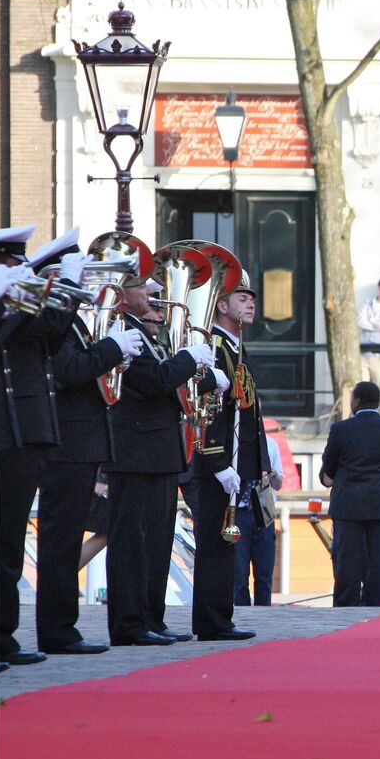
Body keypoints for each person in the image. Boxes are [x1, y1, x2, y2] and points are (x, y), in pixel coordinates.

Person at [38, 232, 147, 656]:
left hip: (82, 444)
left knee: (64, 542)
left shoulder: (72, 321)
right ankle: (57, 630)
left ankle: (62, 628)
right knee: (60, 541)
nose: (88, 282)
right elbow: (69, 373)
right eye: (77, 275)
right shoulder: (59, 324)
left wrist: (112, 352)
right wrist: (110, 349)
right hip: (67, 444)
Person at [105, 270, 219, 646]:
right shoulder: (123, 331)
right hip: (136, 454)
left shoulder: (149, 334)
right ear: (123, 297)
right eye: (144, 289)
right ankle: (129, 623)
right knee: (132, 545)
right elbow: (153, 381)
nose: (154, 296)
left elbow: (172, 388)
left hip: (159, 453)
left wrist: (198, 373)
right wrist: (187, 359)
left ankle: (151, 618)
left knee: (155, 544)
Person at [0, 225, 90, 667]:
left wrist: (66, 288)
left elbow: (49, 330)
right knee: (0, 543)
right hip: (6, 430)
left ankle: (4, 637)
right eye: (11, 265)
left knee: (10, 543)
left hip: (25, 432)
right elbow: (6, 333)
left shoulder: (14, 297)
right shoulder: (4, 301)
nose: (17, 272)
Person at [187, 274, 268, 640]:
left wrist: (258, 463)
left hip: (237, 464)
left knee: (225, 545)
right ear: (221, 305)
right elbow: (208, 412)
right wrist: (219, 464)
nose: (251, 303)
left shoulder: (234, 346)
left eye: (252, 298)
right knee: (215, 544)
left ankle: (220, 617)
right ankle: (211, 621)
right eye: (242, 297)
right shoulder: (215, 347)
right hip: (217, 463)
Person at [320, 382, 380, 607]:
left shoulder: (341, 429)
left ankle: (346, 604)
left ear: (356, 401)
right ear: (378, 402)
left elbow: (329, 466)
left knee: (347, 559)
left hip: (348, 503)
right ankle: (378, 604)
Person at [235, 433, 284, 606]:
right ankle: (241, 616)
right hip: (239, 511)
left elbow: (279, 484)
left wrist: (272, 473)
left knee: (264, 573)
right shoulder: (234, 442)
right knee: (238, 574)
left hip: (263, 510)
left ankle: (264, 614)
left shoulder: (269, 444)